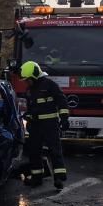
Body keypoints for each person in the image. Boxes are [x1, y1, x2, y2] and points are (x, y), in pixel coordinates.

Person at [21, 60, 69, 189]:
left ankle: (59, 178)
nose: (26, 82)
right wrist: (28, 118)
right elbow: (31, 108)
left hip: (50, 125)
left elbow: (62, 100)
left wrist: (64, 118)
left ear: (35, 76)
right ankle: (37, 178)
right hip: (35, 126)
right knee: (34, 151)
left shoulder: (50, 85)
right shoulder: (29, 90)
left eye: (28, 79)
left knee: (55, 150)